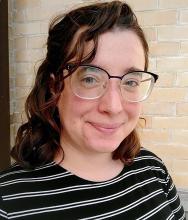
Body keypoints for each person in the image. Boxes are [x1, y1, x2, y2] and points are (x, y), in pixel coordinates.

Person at [0, 1, 185, 219]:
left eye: (131, 82)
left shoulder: (153, 169)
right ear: (55, 87)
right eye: (90, 79)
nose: (113, 107)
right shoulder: (8, 202)